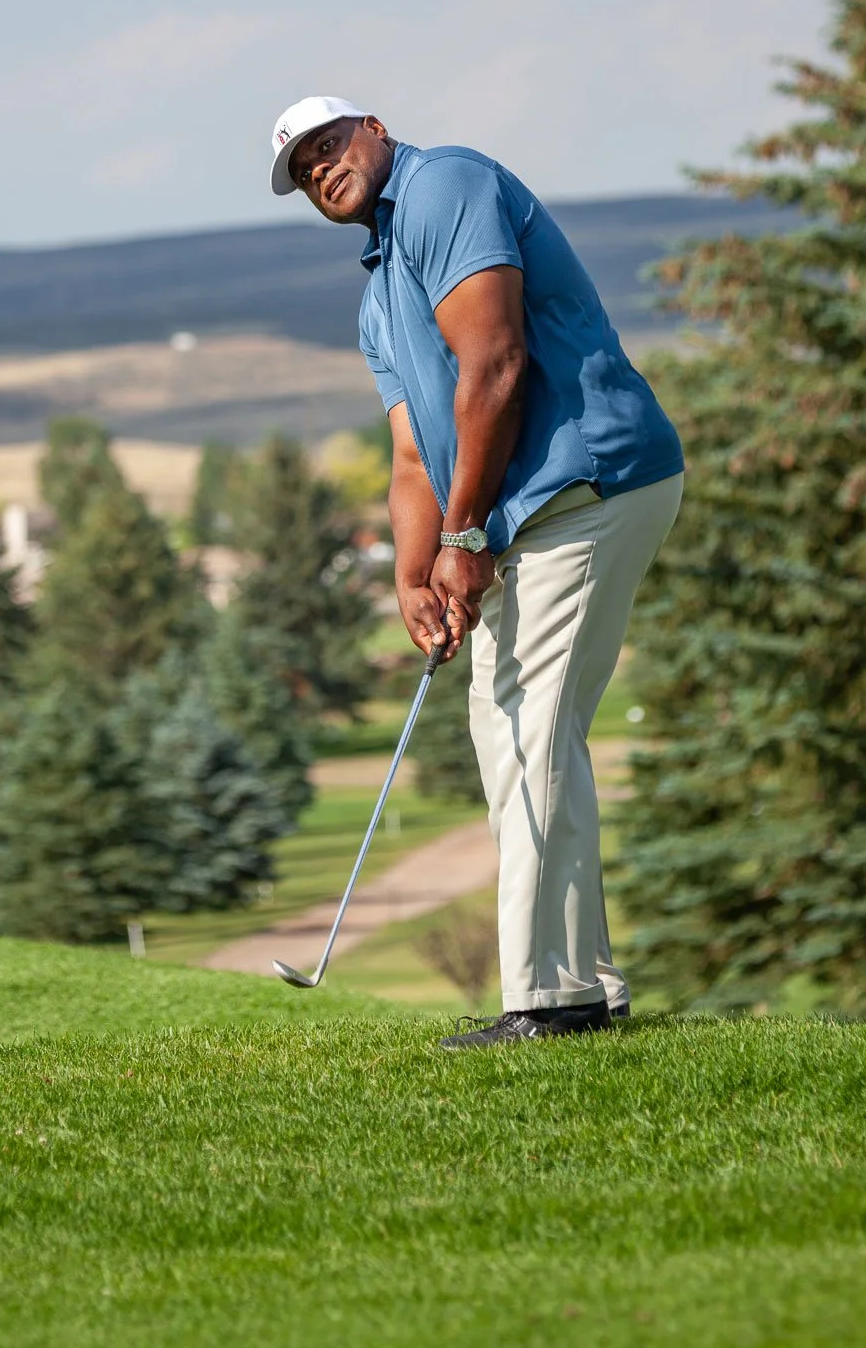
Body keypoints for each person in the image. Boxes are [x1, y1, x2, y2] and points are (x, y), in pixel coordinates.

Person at [269, 96, 684, 1048]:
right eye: (303, 172)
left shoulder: (443, 183)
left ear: (372, 126)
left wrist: (464, 541)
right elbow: (413, 457)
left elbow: (494, 361)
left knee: (525, 725)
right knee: (517, 737)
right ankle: (586, 984)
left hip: (590, 480)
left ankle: (548, 1000)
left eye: (328, 146)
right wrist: (416, 576)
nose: (322, 171)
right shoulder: (378, 298)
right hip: (528, 511)